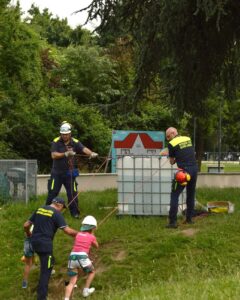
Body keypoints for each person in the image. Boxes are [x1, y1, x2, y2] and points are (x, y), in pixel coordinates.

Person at [23, 197, 78, 300]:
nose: (62, 210)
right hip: (45, 245)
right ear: (60, 205)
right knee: (45, 271)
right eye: (63, 208)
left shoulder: (40, 209)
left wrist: (29, 233)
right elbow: (68, 231)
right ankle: (41, 297)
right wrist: (80, 235)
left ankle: (47, 272)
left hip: (34, 243)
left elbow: (26, 225)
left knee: (51, 260)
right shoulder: (57, 214)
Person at [46, 122, 98, 218]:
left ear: (70, 134)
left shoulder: (75, 142)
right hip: (57, 173)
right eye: (63, 134)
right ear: (60, 134)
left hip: (69, 173)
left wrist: (91, 153)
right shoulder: (56, 141)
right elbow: (53, 155)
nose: (64, 136)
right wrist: (65, 154)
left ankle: (75, 214)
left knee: (72, 194)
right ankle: (47, 212)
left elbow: (83, 149)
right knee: (53, 193)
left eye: (66, 134)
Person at [165, 127, 198, 228]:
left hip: (184, 171)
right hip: (194, 169)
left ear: (173, 132)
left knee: (174, 195)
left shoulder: (171, 144)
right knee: (191, 194)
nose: (168, 139)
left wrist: (170, 157)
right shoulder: (188, 139)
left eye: (168, 136)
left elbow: (171, 162)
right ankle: (189, 219)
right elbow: (186, 152)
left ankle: (172, 222)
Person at [64, 215, 99, 299]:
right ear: (93, 228)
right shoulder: (92, 236)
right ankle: (86, 290)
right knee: (92, 272)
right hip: (82, 257)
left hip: (72, 257)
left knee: (72, 281)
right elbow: (96, 246)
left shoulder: (78, 234)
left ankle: (66, 298)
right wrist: (93, 237)